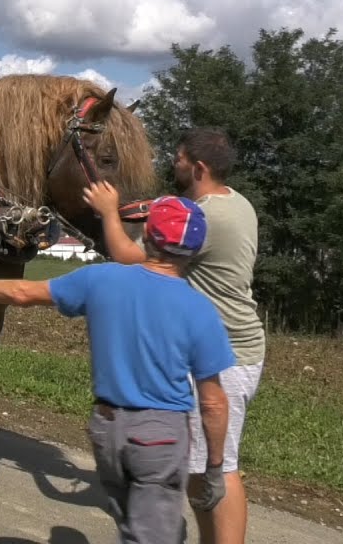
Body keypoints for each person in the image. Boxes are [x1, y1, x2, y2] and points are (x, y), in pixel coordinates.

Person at [0, 196, 233, 544]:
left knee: (135, 522)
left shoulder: (103, 279)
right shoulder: (200, 310)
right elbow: (215, 403)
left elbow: (22, 292)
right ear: (194, 249)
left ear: (149, 234)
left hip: (108, 432)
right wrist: (216, 468)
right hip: (160, 437)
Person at [84, 127, 263, 544]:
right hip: (236, 346)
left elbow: (130, 257)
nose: (173, 163)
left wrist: (110, 212)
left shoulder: (207, 217)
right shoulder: (236, 204)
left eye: (179, 158)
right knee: (205, 467)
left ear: (198, 167)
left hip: (225, 354)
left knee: (218, 468)